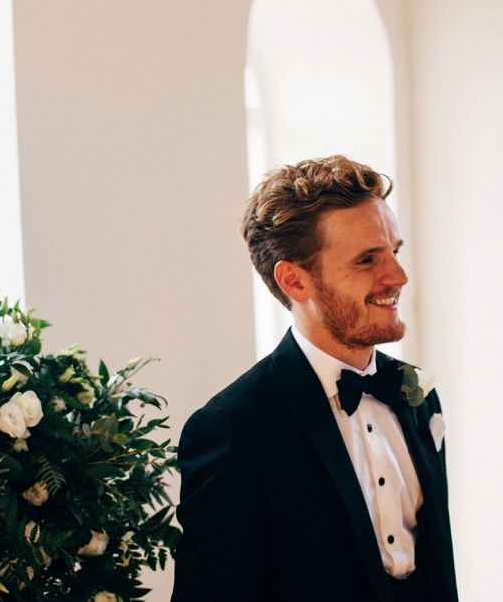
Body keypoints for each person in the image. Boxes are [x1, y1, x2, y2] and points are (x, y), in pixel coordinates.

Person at [171, 156, 457, 601]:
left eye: (394, 252)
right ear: (294, 281)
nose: (397, 277)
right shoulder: (233, 429)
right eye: (366, 260)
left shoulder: (416, 393)